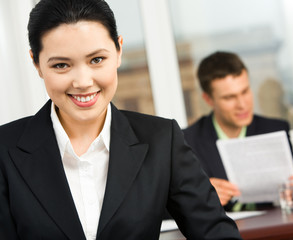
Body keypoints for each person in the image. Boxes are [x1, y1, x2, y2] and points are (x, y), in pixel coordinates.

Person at [0, 0, 242, 239]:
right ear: (36, 63)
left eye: (96, 60)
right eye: (62, 65)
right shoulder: (4, 150)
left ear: (118, 51)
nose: (83, 82)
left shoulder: (161, 140)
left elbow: (217, 234)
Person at [183, 51, 291, 211]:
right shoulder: (186, 142)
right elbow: (166, 205)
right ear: (208, 99)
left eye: (245, 91)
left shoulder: (275, 130)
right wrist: (199, 196)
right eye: (229, 97)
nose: (242, 104)